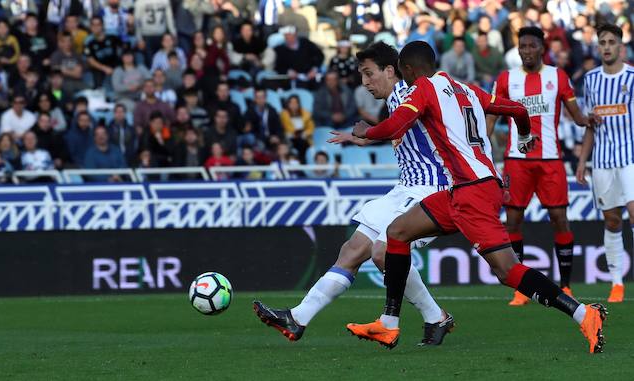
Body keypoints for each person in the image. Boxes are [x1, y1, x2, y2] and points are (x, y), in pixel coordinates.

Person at [342, 41, 605, 353]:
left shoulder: (423, 89)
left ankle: (584, 314)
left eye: (403, 73)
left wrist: (365, 131)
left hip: (473, 192)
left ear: (409, 70)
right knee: (397, 233)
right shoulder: (465, 89)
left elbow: (395, 126)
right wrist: (523, 136)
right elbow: (518, 109)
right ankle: (388, 323)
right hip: (462, 190)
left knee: (507, 270)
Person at [254, 42, 452, 345]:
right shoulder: (398, 99)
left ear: (390, 71)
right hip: (406, 188)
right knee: (352, 249)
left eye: (369, 74)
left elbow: (423, 126)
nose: (365, 82)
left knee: (383, 252)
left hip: (431, 190)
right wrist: (371, 137)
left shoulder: (411, 94)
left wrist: (370, 133)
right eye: (362, 75)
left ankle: (432, 317)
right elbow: (411, 131)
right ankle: (297, 318)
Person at [486, 27, 594, 304]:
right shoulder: (507, 79)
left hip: (550, 160)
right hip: (516, 161)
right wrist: (481, 149)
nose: (527, 51)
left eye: (532, 45)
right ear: (518, 48)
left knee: (559, 219)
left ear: (541, 48)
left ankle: (567, 285)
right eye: (522, 46)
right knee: (513, 220)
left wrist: (591, 119)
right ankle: (521, 289)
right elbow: (491, 121)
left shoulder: (557, 76)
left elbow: (577, 117)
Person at [576, 24, 634, 304]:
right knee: (612, 220)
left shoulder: (633, 77)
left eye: (612, 41)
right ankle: (617, 283)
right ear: (598, 47)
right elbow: (590, 124)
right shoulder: (591, 79)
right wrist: (582, 161)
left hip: (631, 158)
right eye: (602, 42)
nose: (607, 46)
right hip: (602, 161)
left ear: (621, 46)